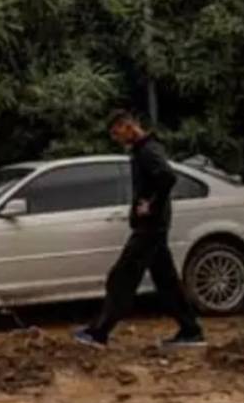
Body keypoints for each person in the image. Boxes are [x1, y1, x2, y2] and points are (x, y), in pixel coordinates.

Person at [74, 110, 206, 349]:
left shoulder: (148, 150)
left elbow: (167, 177)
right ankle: (191, 330)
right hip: (153, 227)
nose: (117, 139)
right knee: (166, 282)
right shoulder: (143, 150)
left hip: (150, 228)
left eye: (117, 133)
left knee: (121, 277)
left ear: (128, 126)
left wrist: (151, 204)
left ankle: (99, 333)